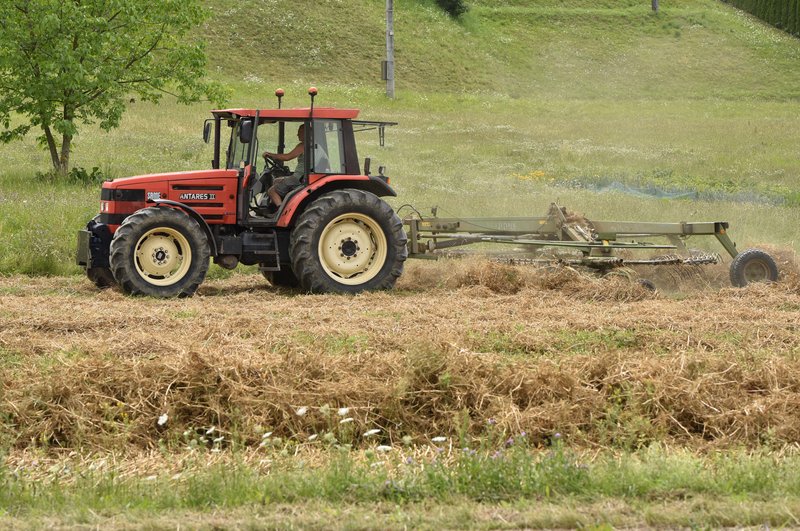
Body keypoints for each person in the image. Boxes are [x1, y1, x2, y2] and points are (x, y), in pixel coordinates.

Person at [262, 124, 305, 208]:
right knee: (276, 181)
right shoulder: (312, 144)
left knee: (271, 191)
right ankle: (273, 206)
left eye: (300, 132)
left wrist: (270, 154)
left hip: (298, 178)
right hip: (302, 176)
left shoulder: (303, 146)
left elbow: (287, 157)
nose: (297, 134)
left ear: (306, 133)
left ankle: (280, 210)